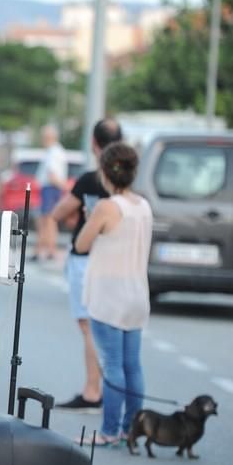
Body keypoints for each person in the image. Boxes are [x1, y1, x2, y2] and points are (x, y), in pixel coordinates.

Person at [75, 142, 152, 446]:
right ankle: (130, 427)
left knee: (112, 365)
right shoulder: (143, 205)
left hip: (109, 296)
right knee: (133, 365)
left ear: (105, 172)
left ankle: (108, 431)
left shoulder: (106, 207)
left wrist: (90, 215)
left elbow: (82, 244)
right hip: (136, 294)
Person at [51, 119, 122, 412]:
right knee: (110, 327)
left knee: (89, 327)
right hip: (117, 259)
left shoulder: (91, 180)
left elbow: (58, 212)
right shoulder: (125, 183)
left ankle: (93, 390)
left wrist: (77, 215)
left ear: (94, 144)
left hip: (87, 257)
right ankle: (110, 392)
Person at [32, 124, 67, 261]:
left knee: (47, 221)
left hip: (50, 189)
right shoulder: (54, 151)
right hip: (51, 189)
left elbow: (52, 175)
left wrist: (64, 188)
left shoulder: (54, 153)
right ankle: (47, 250)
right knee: (49, 221)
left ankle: (44, 250)